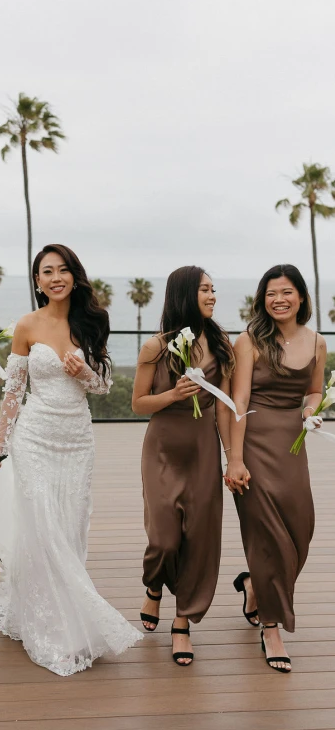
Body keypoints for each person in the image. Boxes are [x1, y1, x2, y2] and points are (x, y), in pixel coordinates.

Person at [0, 243, 142, 676]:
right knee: (43, 526)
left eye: (63, 270)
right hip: (34, 438)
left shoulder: (94, 321)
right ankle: (53, 627)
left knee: (68, 528)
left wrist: (84, 373)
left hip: (77, 440)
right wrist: (0, 445)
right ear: (37, 281)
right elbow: (13, 390)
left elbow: (104, 386)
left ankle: (60, 611)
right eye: (46, 271)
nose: (55, 277)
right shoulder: (26, 325)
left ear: (74, 275)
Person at [132, 266, 234, 666]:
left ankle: (182, 623)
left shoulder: (223, 344)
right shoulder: (156, 347)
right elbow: (138, 404)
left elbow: (224, 409)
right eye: (205, 289)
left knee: (198, 538)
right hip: (162, 448)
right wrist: (173, 394)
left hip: (204, 450)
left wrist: (231, 457)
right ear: (185, 294)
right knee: (164, 537)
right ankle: (154, 586)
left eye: (213, 289)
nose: (212, 296)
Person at [227, 264, 325, 672]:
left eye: (286, 292)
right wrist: (234, 458)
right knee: (268, 536)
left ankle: (254, 585)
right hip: (253, 441)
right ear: (262, 300)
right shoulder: (249, 340)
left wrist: (311, 412)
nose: (278, 299)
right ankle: (271, 627)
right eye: (271, 293)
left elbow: (315, 390)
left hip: (292, 445)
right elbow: (238, 398)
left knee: (301, 530)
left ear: (301, 297)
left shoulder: (317, 341)